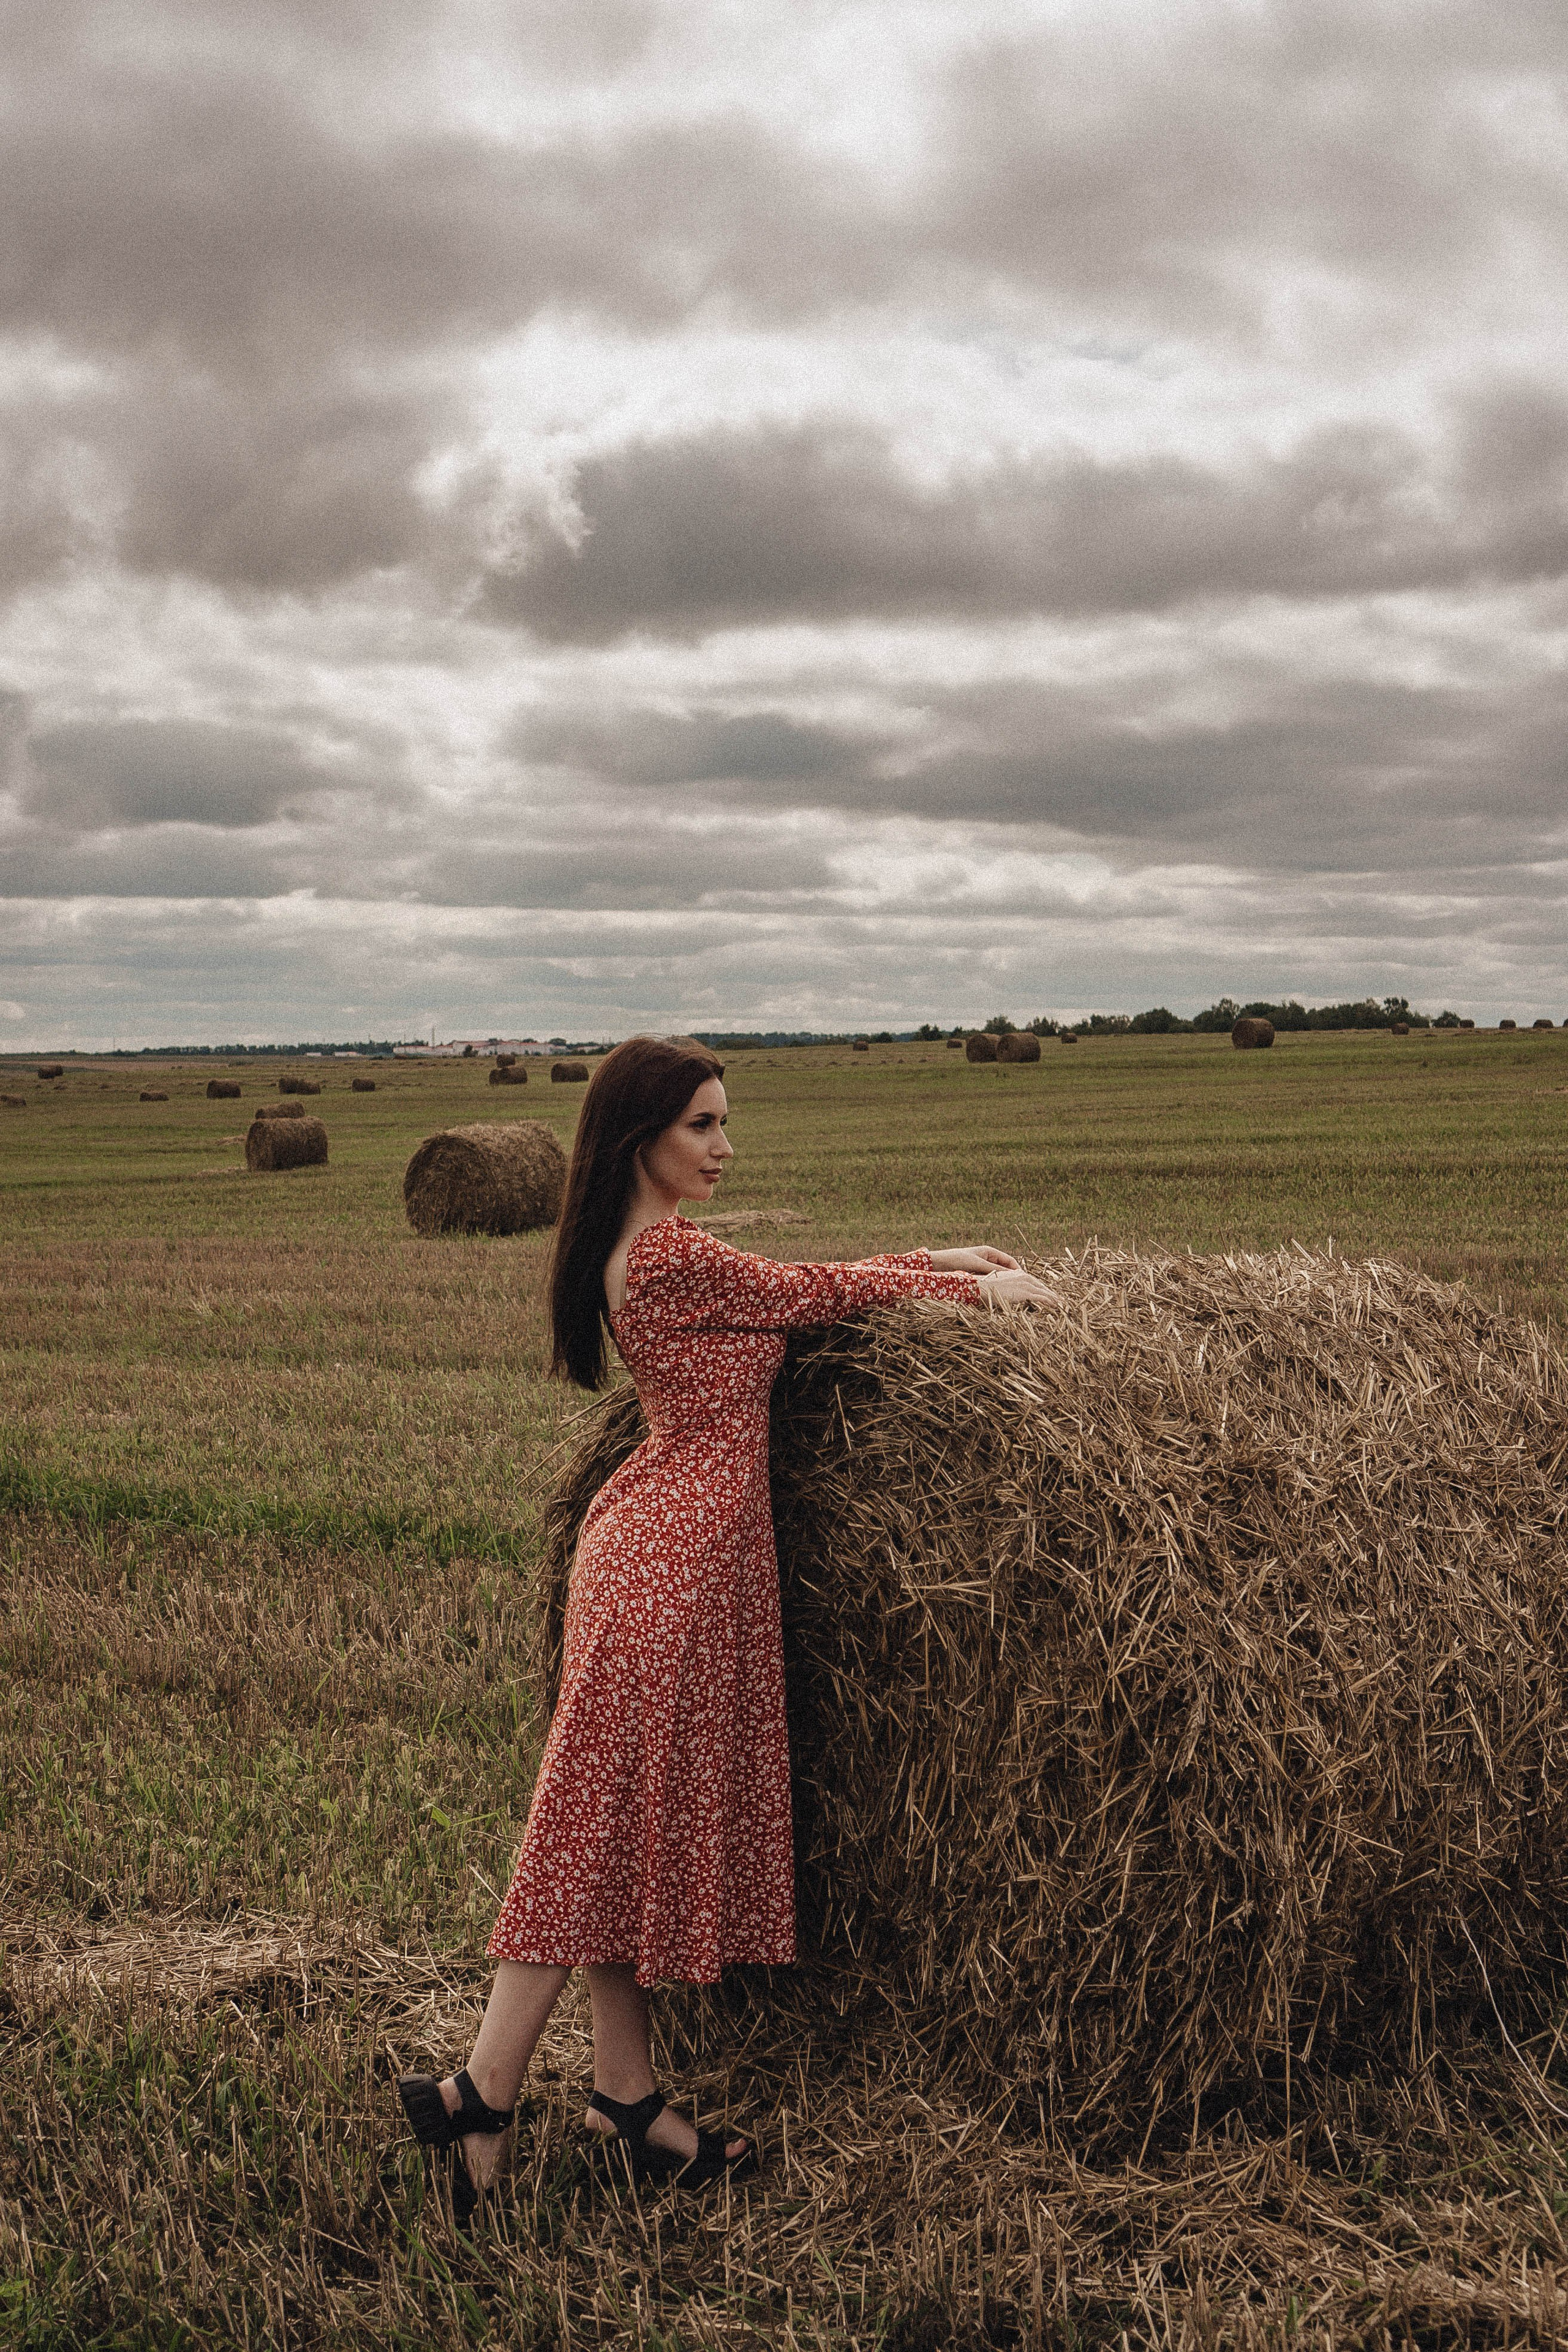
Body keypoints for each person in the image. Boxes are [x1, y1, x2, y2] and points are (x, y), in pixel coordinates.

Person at [398, 1035, 1051, 2219]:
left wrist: (936, 1254)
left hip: (657, 1554)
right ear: (642, 1133)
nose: (724, 1146)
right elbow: (809, 1295)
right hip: (672, 1571)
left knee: (618, 1832)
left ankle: (627, 2101)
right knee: (588, 1838)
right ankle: (478, 2094)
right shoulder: (668, 1259)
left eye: (724, 1122)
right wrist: (967, 1288)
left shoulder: (641, 1251)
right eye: (702, 1124)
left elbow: (798, 1286)